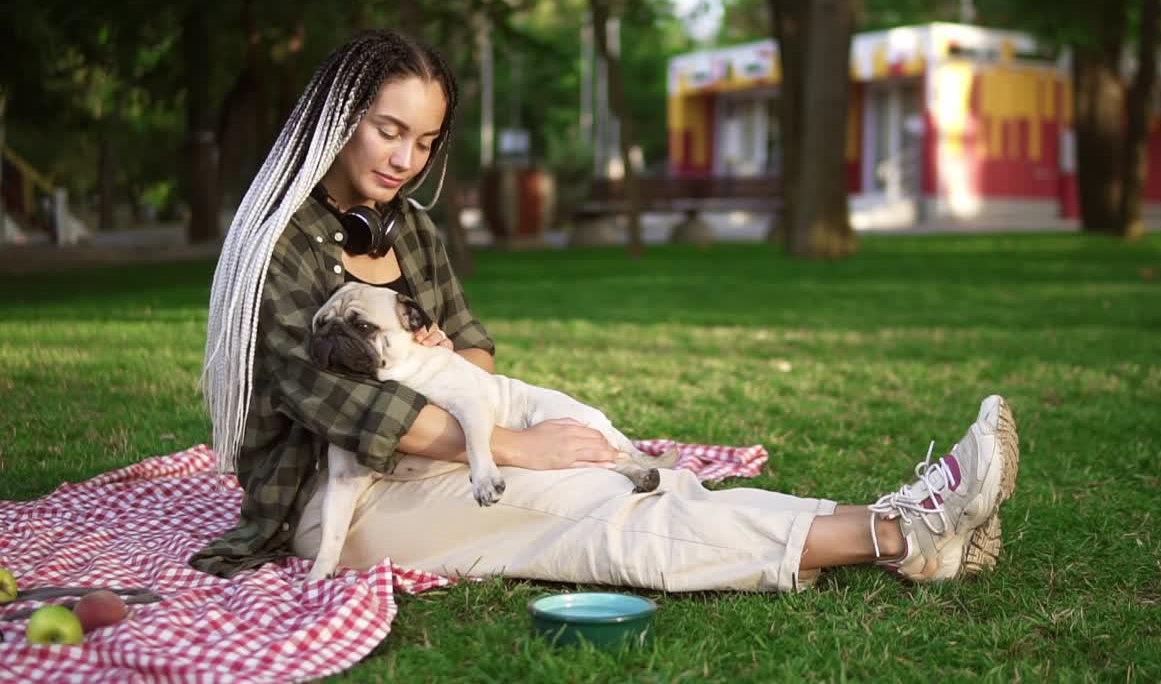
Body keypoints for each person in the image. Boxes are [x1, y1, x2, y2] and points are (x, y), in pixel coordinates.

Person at [191, 30, 1020, 591]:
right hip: (335, 497)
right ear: (339, 118)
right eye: (387, 131)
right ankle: (903, 535)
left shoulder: (411, 230)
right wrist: (521, 447)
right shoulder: (280, 250)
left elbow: (474, 353)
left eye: (426, 143)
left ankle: (914, 523)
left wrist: (453, 376)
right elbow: (345, 405)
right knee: (588, 513)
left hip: (446, 440)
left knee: (631, 478)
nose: (406, 160)